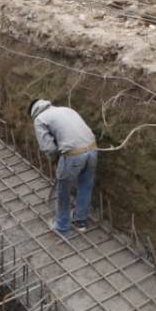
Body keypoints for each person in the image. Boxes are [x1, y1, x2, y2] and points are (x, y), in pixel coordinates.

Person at [29, 99, 98, 236]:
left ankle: (61, 226)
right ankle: (81, 222)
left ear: (33, 112)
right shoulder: (65, 109)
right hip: (92, 149)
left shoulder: (39, 119)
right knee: (85, 185)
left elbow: (47, 147)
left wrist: (55, 158)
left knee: (63, 190)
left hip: (73, 154)